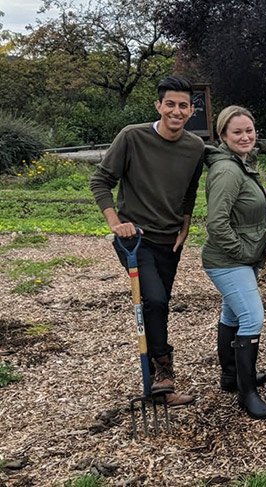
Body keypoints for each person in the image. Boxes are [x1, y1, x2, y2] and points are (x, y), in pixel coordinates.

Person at [90, 75, 204, 407]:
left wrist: (185, 226)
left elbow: (190, 191)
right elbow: (101, 180)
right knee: (154, 300)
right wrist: (116, 222)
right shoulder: (132, 137)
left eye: (183, 105)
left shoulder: (194, 147)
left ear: (191, 110)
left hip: (171, 240)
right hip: (135, 238)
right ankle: (165, 375)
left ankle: (159, 376)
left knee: (160, 304)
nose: (176, 111)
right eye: (170, 104)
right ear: (158, 106)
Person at [202, 106, 266, 420]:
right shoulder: (228, 171)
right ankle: (247, 394)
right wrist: (244, 254)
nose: (246, 137)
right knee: (253, 318)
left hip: (239, 258)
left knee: (233, 313)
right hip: (229, 260)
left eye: (249, 130)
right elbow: (216, 223)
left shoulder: (240, 163)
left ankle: (231, 377)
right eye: (237, 132)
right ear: (223, 136)